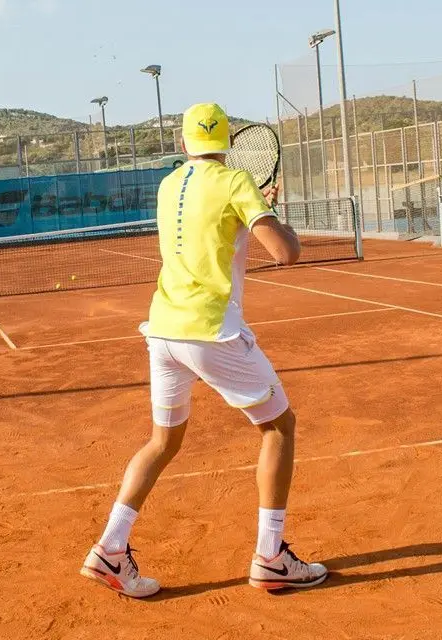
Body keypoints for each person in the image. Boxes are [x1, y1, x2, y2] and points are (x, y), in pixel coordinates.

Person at [80, 103, 327, 598]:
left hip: (163, 331)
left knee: (162, 442)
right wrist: (266, 211)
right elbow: (286, 253)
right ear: (229, 143)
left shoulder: (169, 185)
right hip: (211, 333)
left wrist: (251, 210)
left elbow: (209, 227)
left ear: (182, 143)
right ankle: (271, 556)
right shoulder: (237, 183)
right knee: (279, 426)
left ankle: (110, 547)